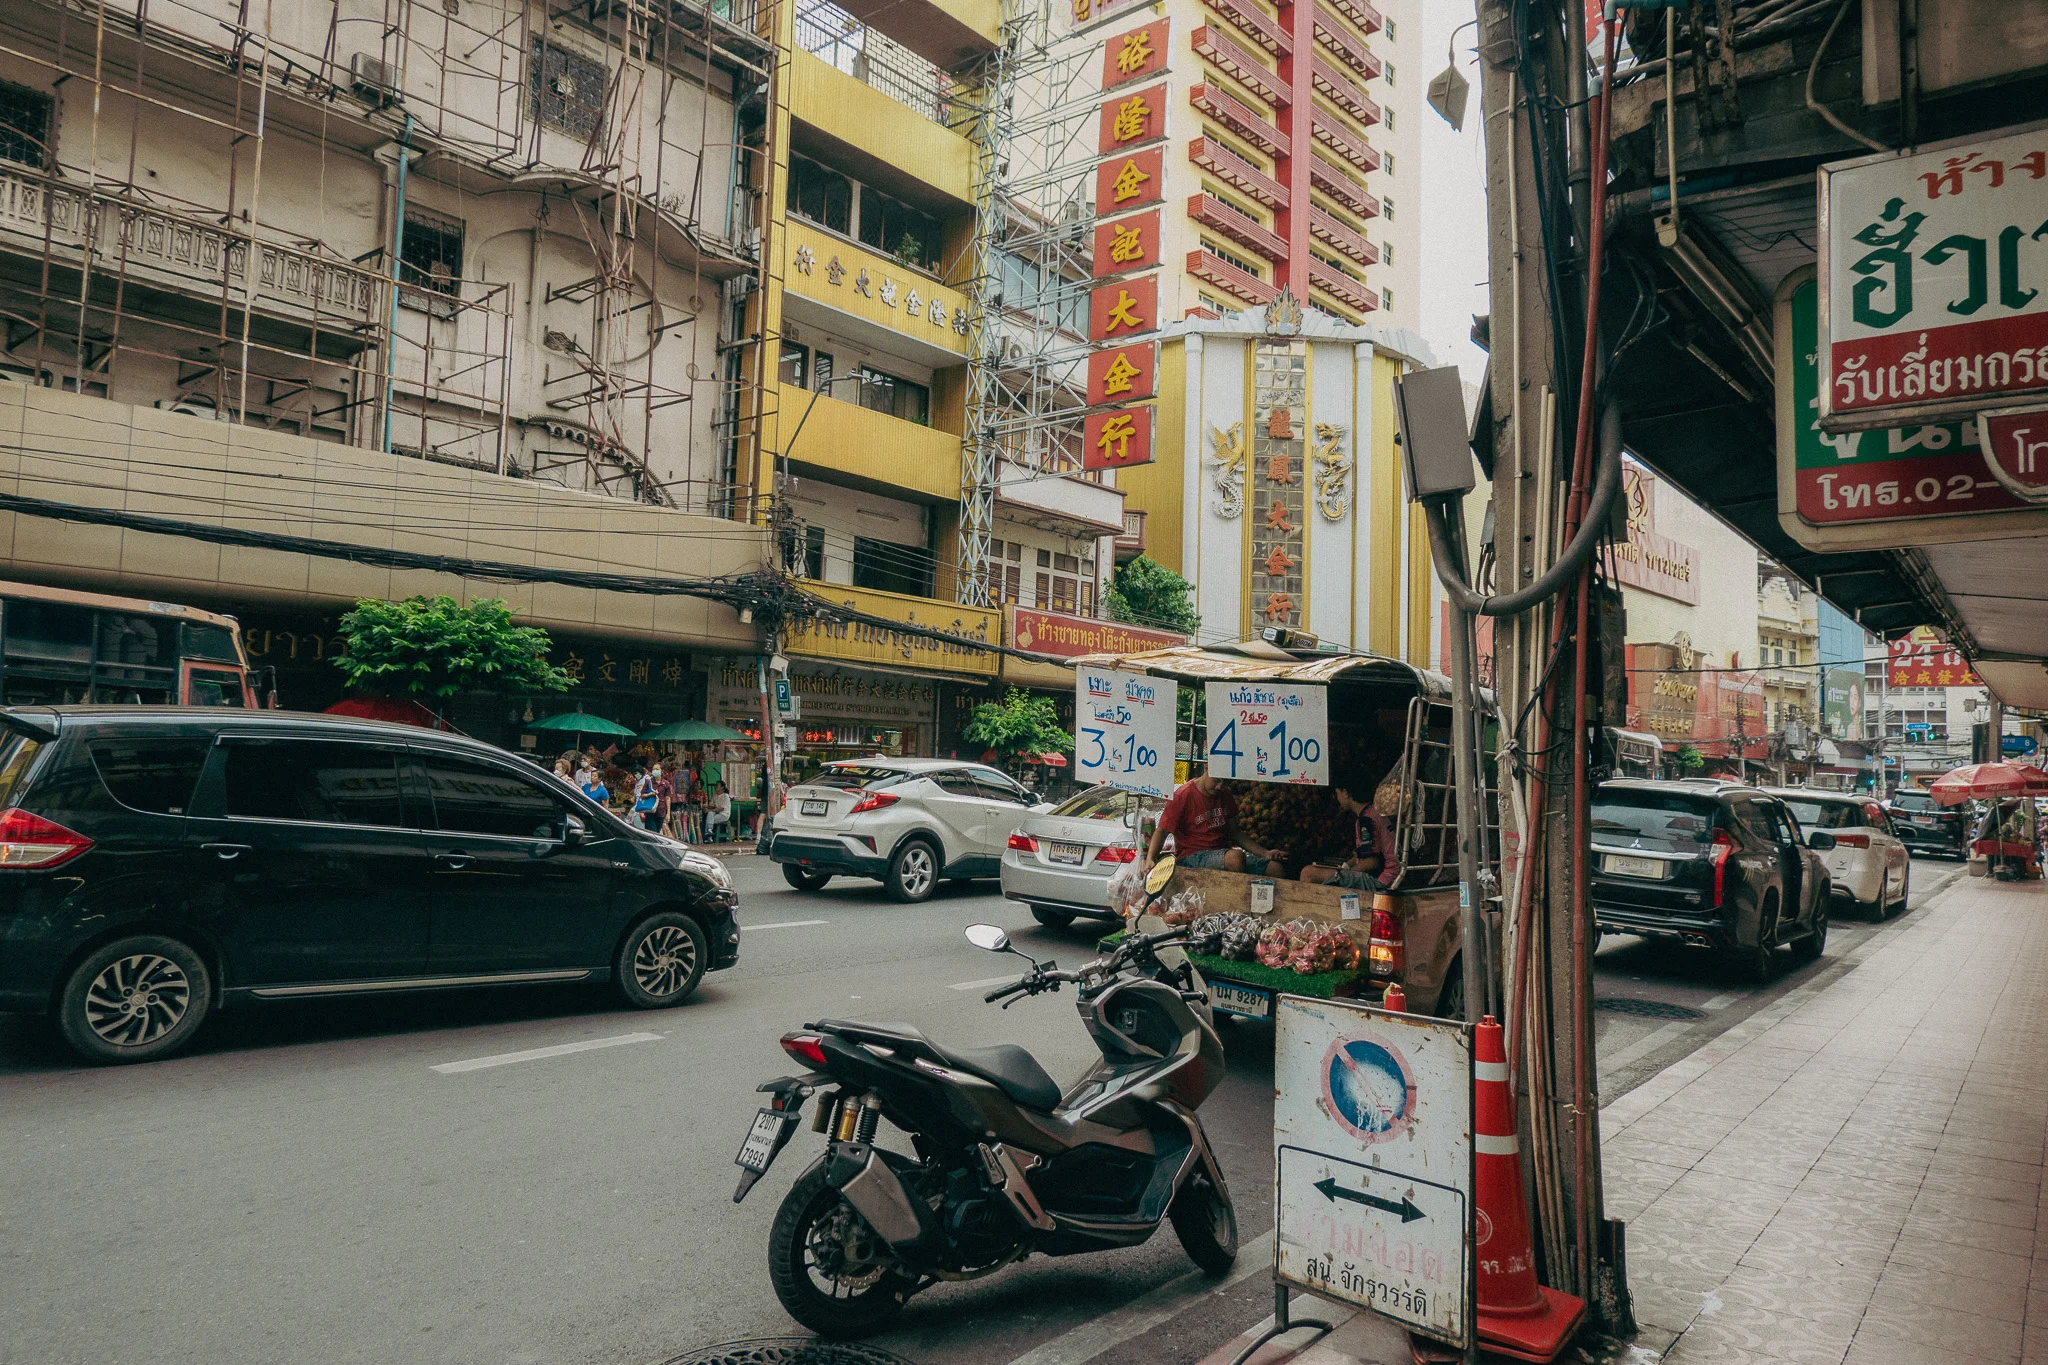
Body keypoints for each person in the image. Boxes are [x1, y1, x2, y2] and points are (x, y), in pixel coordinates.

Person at [1144, 762, 1285, 876]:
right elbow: (1162, 831)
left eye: (1224, 783)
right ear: (1206, 767)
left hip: (1222, 854)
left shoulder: (1225, 794)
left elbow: (1234, 832)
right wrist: (1151, 858)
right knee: (1235, 859)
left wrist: (1264, 853)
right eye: (1216, 781)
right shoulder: (1183, 796)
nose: (1219, 786)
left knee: (1275, 868)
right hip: (1191, 857)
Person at [1300, 773, 1401, 890]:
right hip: (1391, 875)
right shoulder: (1372, 811)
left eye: (1337, 794)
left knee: (1308, 873)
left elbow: (1372, 862)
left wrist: (1346, 873)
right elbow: (1368, 852)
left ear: (1345, 793)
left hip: (1381, 881)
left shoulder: (1366, 820)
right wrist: (1347, 865)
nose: (1337, 799)